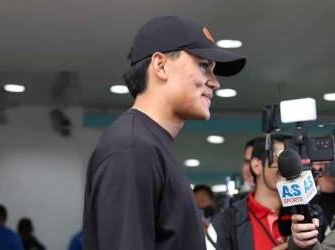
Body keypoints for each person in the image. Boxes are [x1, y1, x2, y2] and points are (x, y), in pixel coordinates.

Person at [82, 15, 246, 250]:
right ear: (160, 65)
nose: (215, 82)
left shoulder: (148, 145)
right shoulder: (132, 149)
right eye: (203, 66)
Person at [208, 135, 291, 250]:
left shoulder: (310, 215)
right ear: (256, 165)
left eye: (295, 160)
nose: (289, 166)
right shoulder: (227, 222)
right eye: (281, 159)